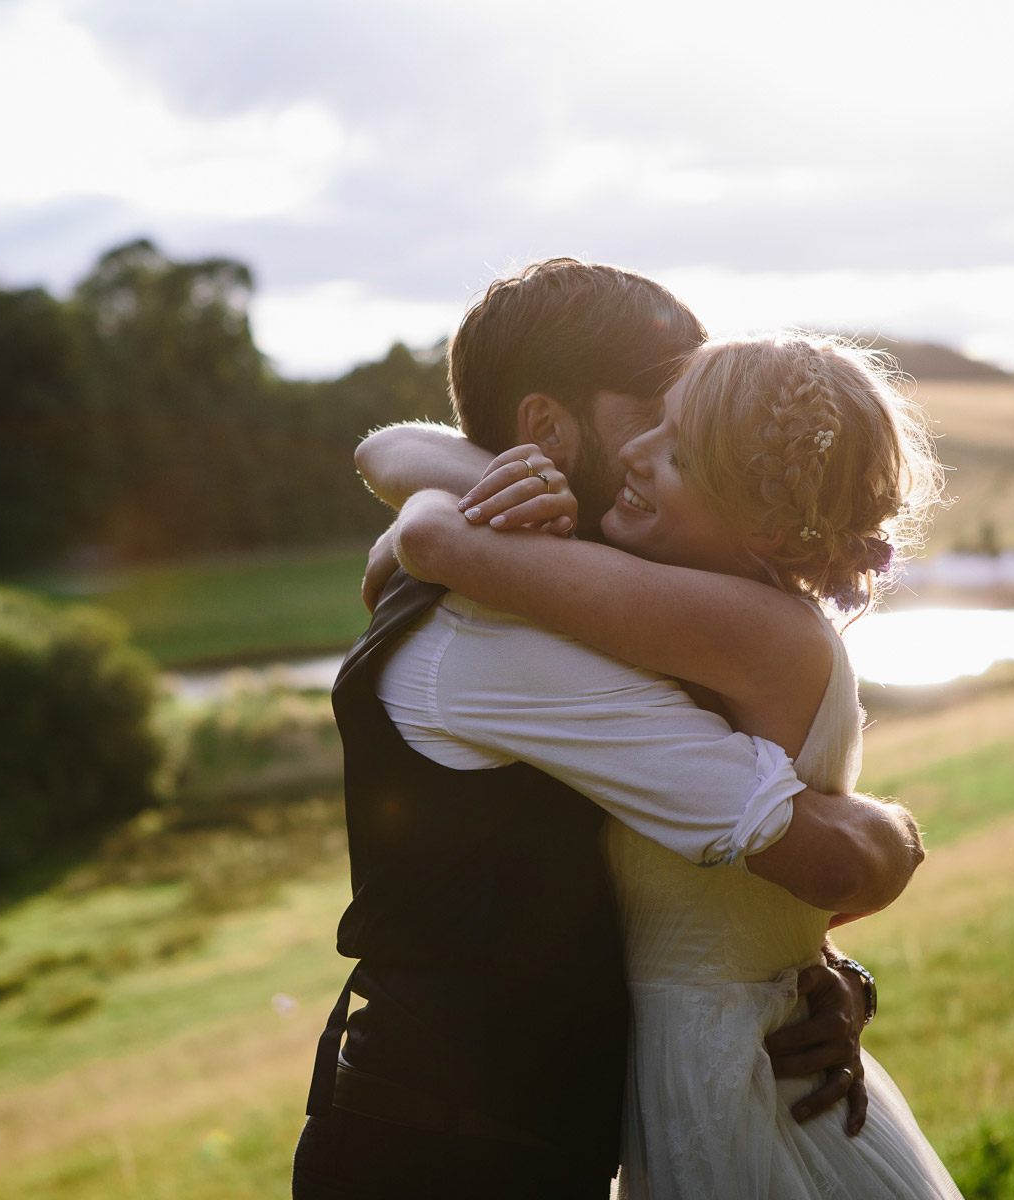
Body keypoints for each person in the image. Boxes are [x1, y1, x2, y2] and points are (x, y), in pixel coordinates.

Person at [293, 259, 925, 1200]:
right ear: (545, 429)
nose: (660, 449)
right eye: (660, 413)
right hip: (449, 1154)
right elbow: (816, 849)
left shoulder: (588, 595)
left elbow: (396, 459)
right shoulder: (503, 628)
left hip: (521, 1134)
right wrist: (883, 846)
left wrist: (815, 970)